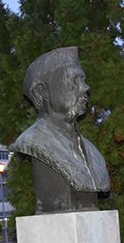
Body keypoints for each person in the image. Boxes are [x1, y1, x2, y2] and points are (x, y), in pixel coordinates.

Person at [11, 46, 109, 213]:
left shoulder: (92, 152)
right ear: (43, 91)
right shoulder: (33, 141)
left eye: (83, 80)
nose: (85, 87)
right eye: (74, 80)